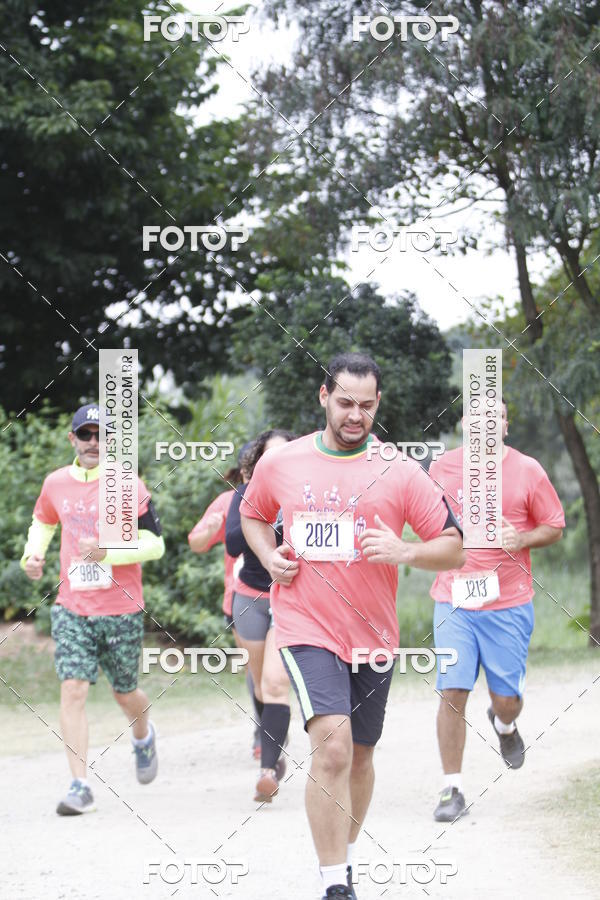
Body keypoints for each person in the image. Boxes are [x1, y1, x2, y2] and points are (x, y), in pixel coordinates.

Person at [240, 353, 465, 900]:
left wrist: (405, 550)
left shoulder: (400, 469)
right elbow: (251, 512)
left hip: (374, 635)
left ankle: (344, 855)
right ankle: (334, 882)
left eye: (366, 405)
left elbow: (454, 547)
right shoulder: (283, 462)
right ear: (324, 397)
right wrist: (270, 558)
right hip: (304, 625)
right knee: (334, 748)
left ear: (377, 404)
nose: (355, 415)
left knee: (361, 754)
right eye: (344, 403)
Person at [21, 404, 165, 815]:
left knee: (125, 692)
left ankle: (142, 734)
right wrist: (33, 555)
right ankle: (80, 784)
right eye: (86, 435)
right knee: (73, 687)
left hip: (120, 608)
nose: (94, 443)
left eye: (102, 435)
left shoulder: (127, 484)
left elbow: (156, 544)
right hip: (72, 605)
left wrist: (110, 551)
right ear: (73, 440)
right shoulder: (55, 484)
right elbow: (43, 522)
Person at [428, 400, 565, 822]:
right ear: (465, 424)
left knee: (507, 700)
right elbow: (427, 521)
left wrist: (522, 538)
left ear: (506, 426)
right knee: (452, 691)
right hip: (454, 599)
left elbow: (554, 526)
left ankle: (504, 724)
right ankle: (452, 788)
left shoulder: (528, 470)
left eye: (497, 418)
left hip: (508, 602)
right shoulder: (442, 470)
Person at [225, 430, 296, 802]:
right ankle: (271, 738)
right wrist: (262, 508)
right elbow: (233, 544)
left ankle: (268, 769)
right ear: (258, 463)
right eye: (271, 457)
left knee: (274, 683)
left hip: (291, 598)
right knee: (258, 682)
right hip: (250, 597)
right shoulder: (245, 494)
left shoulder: (308, 494)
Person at [188, 442, 261, 757]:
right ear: (245, 471)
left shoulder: (290, 495)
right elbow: (196, 542)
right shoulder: (228, 501)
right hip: (241, 598)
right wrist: (212, 530)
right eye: (255, 466)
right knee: (255, 668)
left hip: (288, 596)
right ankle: (265, 728)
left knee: (275, 670)